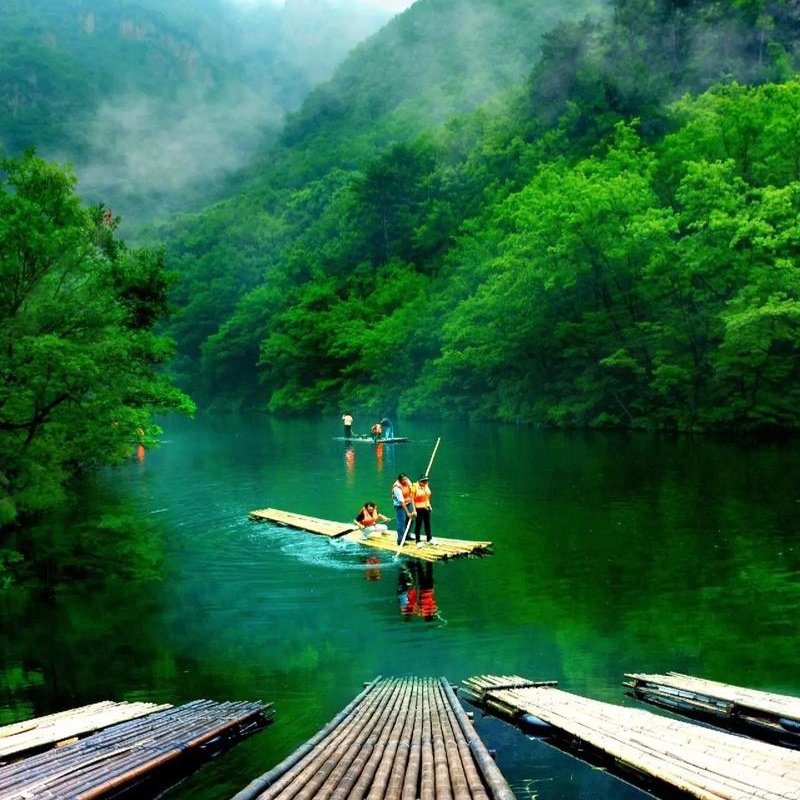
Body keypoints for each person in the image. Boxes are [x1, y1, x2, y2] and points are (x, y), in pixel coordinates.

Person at [391, 473, 415, 546]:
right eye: (403, 480)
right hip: (400, 505)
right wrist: (407, 512)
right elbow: (402, 501)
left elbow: (412, 489)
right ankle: (400, 540)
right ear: (399, 480)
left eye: (405, 479)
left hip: (409, 502)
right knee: (401, 522)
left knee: (411, 519)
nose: (405, 481)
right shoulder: (397, 487)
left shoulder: (407, 481)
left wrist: (413, 508)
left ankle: (407, 535)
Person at [412, 474, 432, 546]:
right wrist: (414, 510)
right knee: (418, 524)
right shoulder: (414, 487)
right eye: (424, 482)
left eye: (426, 482)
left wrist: (429, 506)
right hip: (418, 508)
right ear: (420, 481)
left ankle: (429, 538)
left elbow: (427, 496)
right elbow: (412, 500)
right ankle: (418, 540)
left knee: (427, 524)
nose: (425, 483)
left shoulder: (426, 485)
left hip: (426, 507)